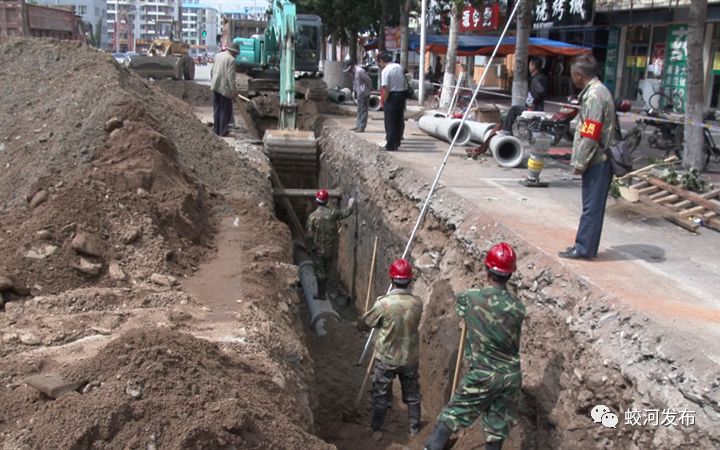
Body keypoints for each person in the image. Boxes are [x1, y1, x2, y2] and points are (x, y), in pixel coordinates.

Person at [424, 242, 525, 450]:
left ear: (487, 270)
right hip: (510, 377)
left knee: (451, 415)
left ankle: (432, 447)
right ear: (510, 274)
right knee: (496, 430)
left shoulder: (470, 298)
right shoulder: (518, 307)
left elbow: (461, 311)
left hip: (484, 374)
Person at [558, 55, 616, 260]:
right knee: (593, 206)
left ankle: (583, 248)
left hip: (597, 159)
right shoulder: (599, 91)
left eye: (573, 75)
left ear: (579, 75)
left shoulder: (593, 96)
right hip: (598, 158)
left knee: (591, 207)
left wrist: (580, 162)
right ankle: (586, 246)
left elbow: (591, 133)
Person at [357, 258, 423, 436]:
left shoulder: (383, 304)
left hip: (387, 357)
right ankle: (414, 428)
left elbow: (365, 323)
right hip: (409, 357)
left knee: (380, 392)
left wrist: (363, 322)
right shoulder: (418, 303)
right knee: (412, 393)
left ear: (392, 279)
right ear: (410, 280)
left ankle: (376, 427)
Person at [305, 189, 355, 299]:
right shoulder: (333, 213)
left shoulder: (312, 217)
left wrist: (308, 249)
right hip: (330, 248)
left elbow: (309, 235)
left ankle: (321, 294)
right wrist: (350, 205)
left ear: (316, 201)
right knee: (327, 269)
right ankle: (326, 289)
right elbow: (346, 213)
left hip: (318, 250)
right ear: (326, 200)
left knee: (319, 271)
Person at [501, 56, 548, 134]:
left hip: (534, 108)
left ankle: (507, 130)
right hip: (536, 106)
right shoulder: (541, 77)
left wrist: (532, 102)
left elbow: (540, 91)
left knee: (513, 109)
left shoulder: (536, 79)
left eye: (530, 65)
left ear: (533, 66)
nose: (529, 67)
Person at [378, 51, 407, 151]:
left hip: (392, 96)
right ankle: (397, 142)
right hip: (402, 95)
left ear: (381, 61)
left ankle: (390, 145)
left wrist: (384, 101)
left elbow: (386, 88)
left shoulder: (385, 71)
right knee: (398, 120)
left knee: (390, 121)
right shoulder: (399, 67)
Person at [210, 42, 239, 137]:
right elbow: (231, 78)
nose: (236, 56)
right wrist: (234, 92)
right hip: (224, 89)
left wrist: (213, 82)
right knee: (224, 110)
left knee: (217, 109)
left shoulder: (217, 56)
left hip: (215, 86)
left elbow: (212, 71)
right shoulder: (231, 60)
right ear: (234, 52)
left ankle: (216, 130)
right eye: (236, 54)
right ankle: (223, 131)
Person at [345, 61, 372, 133]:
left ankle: (362, 127)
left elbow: (368, 80)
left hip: (364, 93)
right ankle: (358, 125)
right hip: (359, 93)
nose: (349, 71)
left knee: (363, 110)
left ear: (352, 66)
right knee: (359, 110)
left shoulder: (360, 71)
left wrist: (367, 89)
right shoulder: (354, 72)